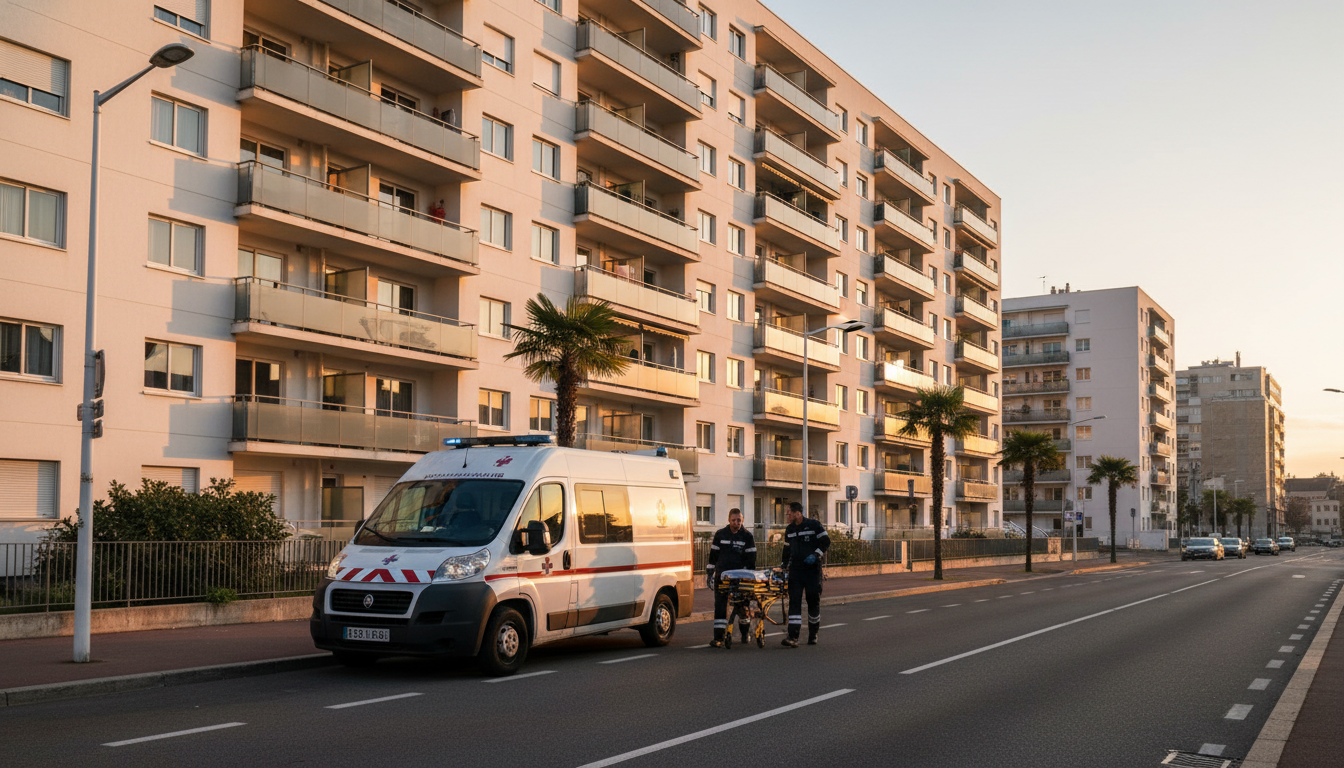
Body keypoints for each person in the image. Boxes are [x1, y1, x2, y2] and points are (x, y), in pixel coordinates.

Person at [780, 501, 829, 647]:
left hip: (812, 570)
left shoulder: (814, 525)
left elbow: (826, 541)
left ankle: (813, 633)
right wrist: (783, 566)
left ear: (797, 513)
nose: (787, 515)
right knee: (794, 602)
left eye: (789, 512)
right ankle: (792, 637)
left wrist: (816, 554)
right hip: (796, 570)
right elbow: (787, 550)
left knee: (812, 601)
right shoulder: (789, 530)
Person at [706, 508, 756, 648]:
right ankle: (718, 638)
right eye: (734, 520)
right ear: (729, 520)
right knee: (720, 606)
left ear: (743, 520)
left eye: (739, 520)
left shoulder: (747, 536)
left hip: (741, 577)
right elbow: (713, 556)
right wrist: (710, 574)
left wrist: (748, 576)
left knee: (742, 606)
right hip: (722, 577)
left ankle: (745, 634)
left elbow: (751, 559)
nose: (736, 523)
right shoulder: (720, 534)